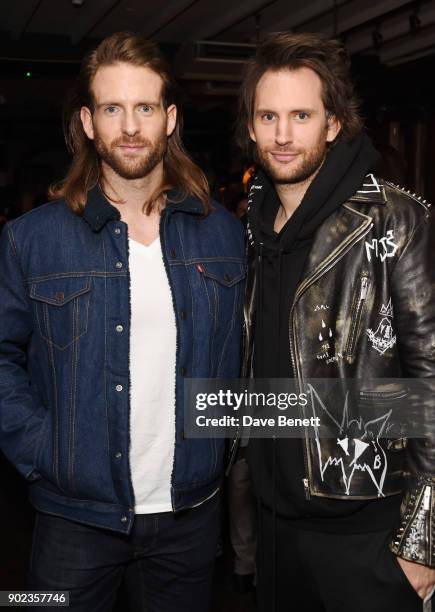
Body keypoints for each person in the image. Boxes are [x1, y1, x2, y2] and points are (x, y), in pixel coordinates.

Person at [0, 31, 245, 612]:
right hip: (70, 518)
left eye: (145, 108)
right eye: (112, 108)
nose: (130, 126)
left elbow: (247, 355)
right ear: (88, 121)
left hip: (191, 517)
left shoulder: (225, 235)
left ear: (170, 118)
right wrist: (43, 450)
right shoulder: (29, 240)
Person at [236, 31, 435, 611]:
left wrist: (421, 541)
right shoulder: (251, 229)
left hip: (366, 539)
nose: (282, 134)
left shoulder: (394, 218)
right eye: (267, 115)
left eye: (301, 115)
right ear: (250, 127)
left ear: (333, 124)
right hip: (275, 531)